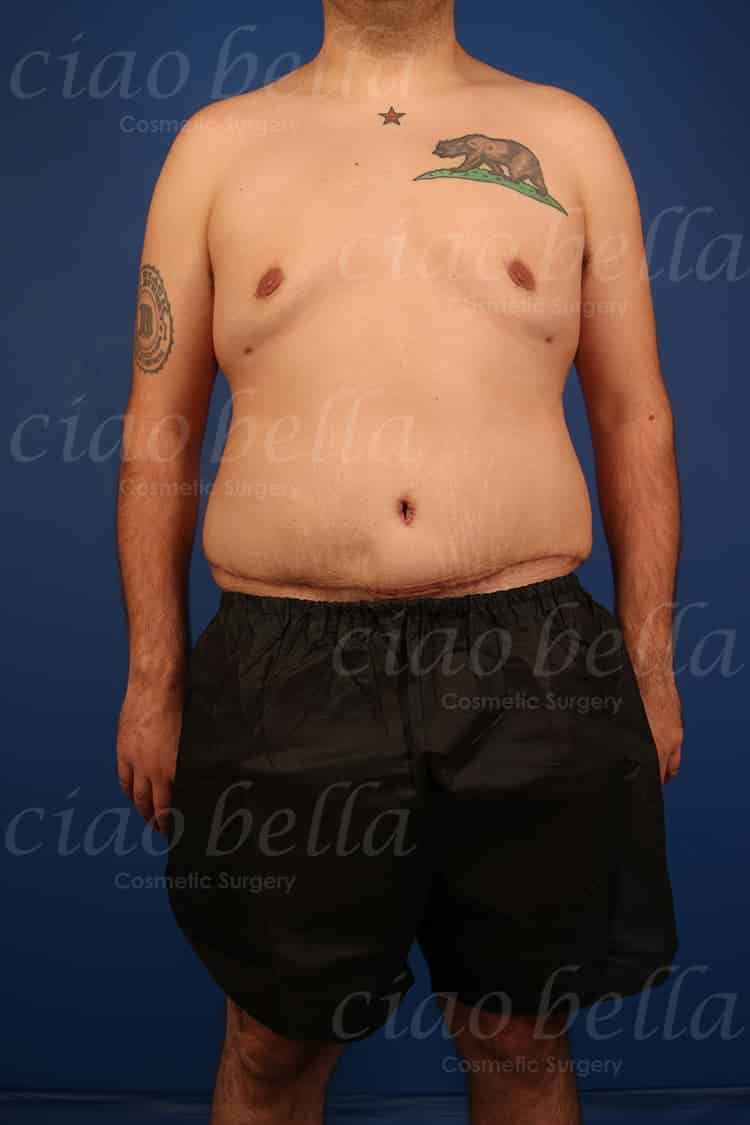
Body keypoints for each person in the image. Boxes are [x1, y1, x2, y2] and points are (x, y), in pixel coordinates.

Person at [116, 1, 682, 1121]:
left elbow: (634, 417)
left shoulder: (567, 136)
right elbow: (157, 433)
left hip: (532, 659)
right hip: (285, 671)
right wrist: (152, 679)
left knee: (521, 1037)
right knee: (272, 1047)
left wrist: (651, 664)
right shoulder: (215, 149)